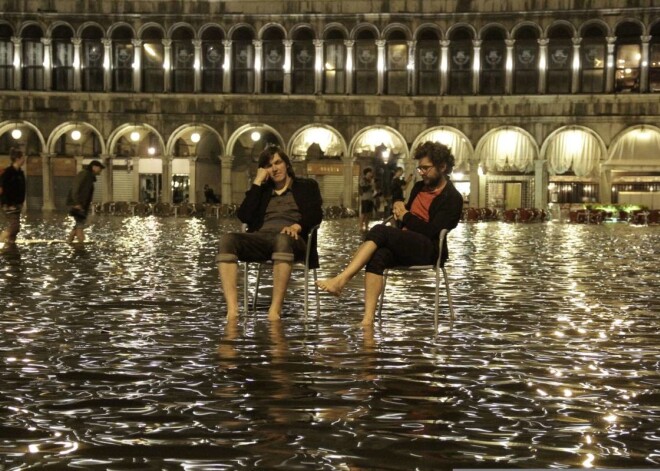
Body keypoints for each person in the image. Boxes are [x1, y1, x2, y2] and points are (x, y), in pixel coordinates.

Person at [317, 141, 464, 326]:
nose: (422, 173)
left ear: (442, 166)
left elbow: (433, 230)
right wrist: (398, 204)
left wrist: (406, 216)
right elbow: (406, 212)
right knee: (378, 256)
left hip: (430, 248)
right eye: (420, 169)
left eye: (426, 168)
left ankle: (341, 280)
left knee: (379, 230)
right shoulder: (419, 187)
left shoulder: (453, 198)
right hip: (406, 242)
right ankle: (367, 319)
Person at [216, 145, 323, 321]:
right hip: (262, 237)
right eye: (268, 165)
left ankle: (274, 310)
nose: (274, 168)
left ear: (287, 164)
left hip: (294, 239)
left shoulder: (306, 186)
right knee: (227, 240)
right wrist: (257, 182)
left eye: (278, 163)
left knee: (282, 239)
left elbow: (316, 214)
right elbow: (244, 216)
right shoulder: (262, 191)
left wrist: (298, 226)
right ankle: (233, 310)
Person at [66, 159, 105, 243]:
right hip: (78, 204)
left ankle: (69, 241)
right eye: (100, 168)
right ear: (94, 167)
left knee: (78, 224)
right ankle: (81, 245)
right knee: (80, 225)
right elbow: (75, 188)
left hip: (81, 204)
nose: (101, 171)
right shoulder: (85, 174)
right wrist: (77, 203)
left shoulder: (88, 176)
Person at [0, 148, 26, 245]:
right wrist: (8, 203)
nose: (24, 159)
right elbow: (3, 189)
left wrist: (21, 202)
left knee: (15, 229)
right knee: (14, 226)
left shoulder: (20, 172)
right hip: (9, 204)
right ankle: (1, 239)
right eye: (23, 157)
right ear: (18, 159)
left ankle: (10, 249)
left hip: (17, 204)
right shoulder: (8, 172)